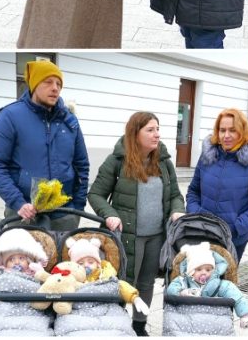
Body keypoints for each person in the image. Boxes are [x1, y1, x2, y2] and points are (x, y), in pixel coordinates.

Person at [88, 111, 185, 336]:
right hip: (127, 235)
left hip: (156, 236)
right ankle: (117, 323)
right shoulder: (117, 161)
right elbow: (95, 194)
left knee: (147, 282)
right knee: (123, 280)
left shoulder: (164, 162)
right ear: (135, 133)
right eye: (150, 130)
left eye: (158, 129)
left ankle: (139, 325)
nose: (156, 134)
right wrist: (109, 214)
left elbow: (175, 196)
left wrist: (178, 210)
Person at [0, 60, 88, 232]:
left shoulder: (69, 121)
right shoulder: (10, 116)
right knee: (24, 259)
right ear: (33, 85)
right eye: (48, 82)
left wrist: (77, 207)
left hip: (64, 214)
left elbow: (82, 165)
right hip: (24, 214)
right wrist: (18, 202)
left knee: (62, 260)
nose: (55, 88)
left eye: (59, 84)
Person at [186, 109, 248, 262]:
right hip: (201, 235)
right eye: (222, 130)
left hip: (233, 240)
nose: (226, 136)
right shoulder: (207, 157)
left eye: (232, 130)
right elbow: (193, 191)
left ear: (242, 131)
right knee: (197, 280)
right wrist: (197, 216)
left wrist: (234, 227)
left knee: (225, 283)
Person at [165, 242, 248, 329]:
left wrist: (244, 315)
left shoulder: (220, 284)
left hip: (214, 321)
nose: (204, 273)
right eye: (199, 269)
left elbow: (237, 296)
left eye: (208, 270)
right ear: (190, 271)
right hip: (188, 319)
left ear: (213, 270)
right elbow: (171, 289)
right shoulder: (182, 281)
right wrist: (181, 292)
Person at [68, 237, 149, 314]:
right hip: (79, 311)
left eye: (91, 262)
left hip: (107, 309)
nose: (86, 265)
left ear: (98, 263)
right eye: (80, 263)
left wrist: (135, 298)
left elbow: (121, 285)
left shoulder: (106, 276)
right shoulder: (69, 278)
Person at [0, 228, 48, 294]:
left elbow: (44, 286)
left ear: (28, 260)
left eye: (21, 258)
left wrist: (39, 270)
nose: (17, 262)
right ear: (5, 263)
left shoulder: (32, 272)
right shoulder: (1, 271)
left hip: (28, 299)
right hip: (4, 299)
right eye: (11, 259)